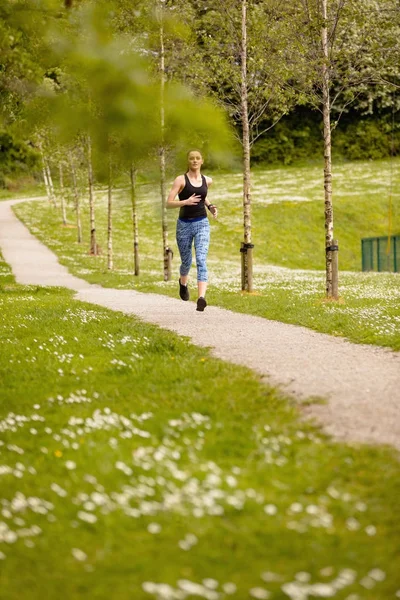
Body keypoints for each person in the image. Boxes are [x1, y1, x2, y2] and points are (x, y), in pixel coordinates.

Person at [166, 149, 218, 311]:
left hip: (202, 223)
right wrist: (185, 202)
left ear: (202, 161)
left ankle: (201, 298)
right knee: (187, 262)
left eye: (197, 158)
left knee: (201, 259)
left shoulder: (207, 180)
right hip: (184, 225)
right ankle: (183, 283)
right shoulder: (180, 180)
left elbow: (201, 197)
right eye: (191, 158)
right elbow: (169, 202)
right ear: (188, 161)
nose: (195, 161)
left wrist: (210, 206)